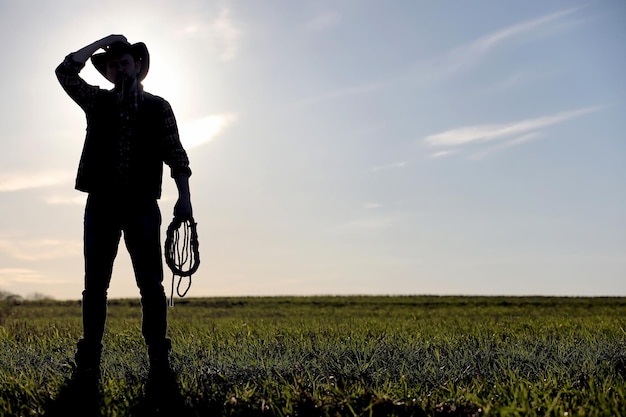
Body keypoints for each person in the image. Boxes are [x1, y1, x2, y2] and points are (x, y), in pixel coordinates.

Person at [55, 34, 193, 381]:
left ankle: (159, 359)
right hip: (100, 203)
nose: (119, 67)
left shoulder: (158, 107)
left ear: (138, 67)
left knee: (151, 284)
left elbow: (176, 154)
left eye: (125, 61)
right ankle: (89, 359)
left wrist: (184, 198)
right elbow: (64, 71)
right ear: (109, 72)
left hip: (142, 204)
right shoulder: (96, 101)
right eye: (113, 64)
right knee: (95, 285)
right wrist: (103, 41)